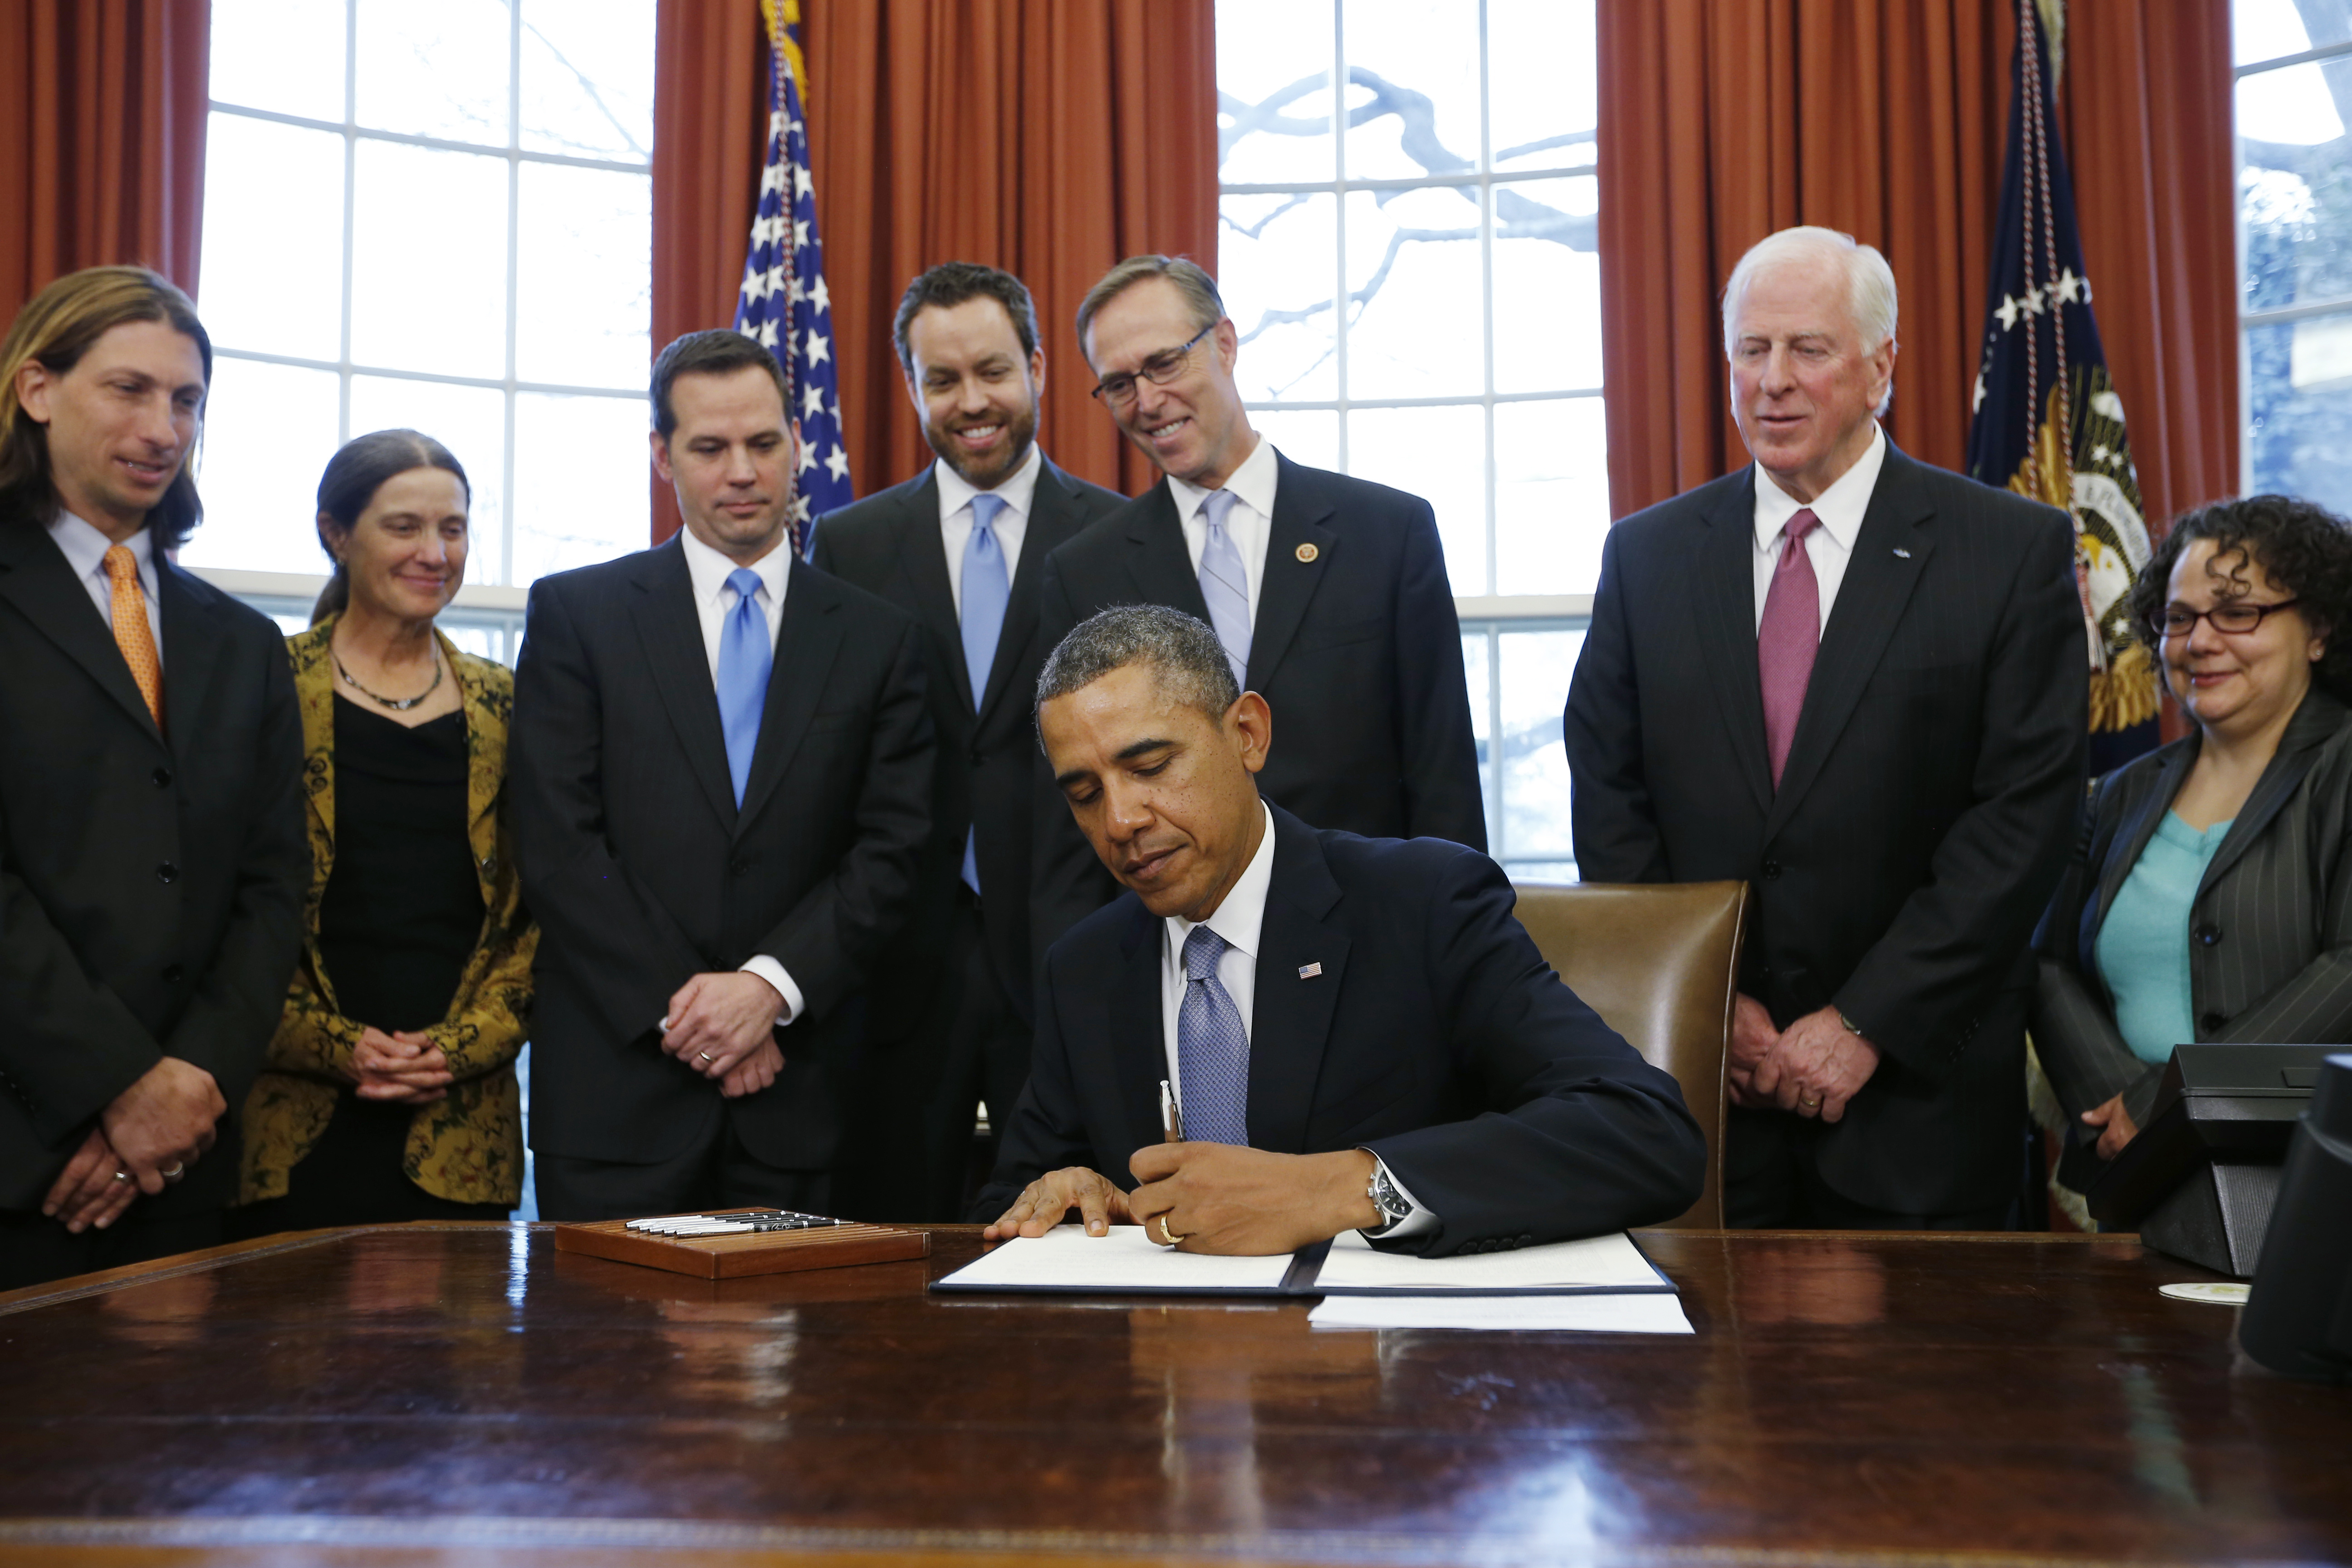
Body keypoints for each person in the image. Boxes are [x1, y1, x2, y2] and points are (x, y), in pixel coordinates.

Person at [1563, 226, 2086, 1230]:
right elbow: (1612, 795)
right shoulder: (1647, 557)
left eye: (1809, 349)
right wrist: (1717, 1009)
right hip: (1709, 1099)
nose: (1774, 382)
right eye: (1751, 352)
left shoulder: (2007, 551)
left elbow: (2024, 819)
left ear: (1880, 366)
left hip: (1918, 1107)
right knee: (1708, 1387)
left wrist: (1864, 1022)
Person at [977, 605, 1703, 1256]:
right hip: (1171, 1380)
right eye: (1085, 793)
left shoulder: (1421, 904)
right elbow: (1002, 1208)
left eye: (1152, 766)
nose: (1120, 820)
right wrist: (1067, 1197)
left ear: (1248, 734)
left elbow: (1645, 1135)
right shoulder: (1085, 968)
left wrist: (1339, 1190)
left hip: (1387, 1372)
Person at [510, 329, 932, 1222]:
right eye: (710, 449)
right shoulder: (578, 616)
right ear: (663, 457)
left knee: (797, 1364)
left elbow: (895, 847)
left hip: (805, 1101)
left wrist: (769, 991)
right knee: (600, 1361)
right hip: (616, 1101)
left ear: (796, 445)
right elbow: (557, 844)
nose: (741, 471)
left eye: (764, 444)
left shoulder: (880, 638)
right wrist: (710, 1021)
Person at [1029, 255, 1485, 966]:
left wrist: (1462, 950)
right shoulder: (1082, 571)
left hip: (1378, 943)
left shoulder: (1385, 533)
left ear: (1225, 343)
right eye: (1119, 384)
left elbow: (1442, 775)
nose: (1146, 400)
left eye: (1163, 364)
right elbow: (1072, 811)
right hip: (1182, 958)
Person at [0, 266, 306, 1288]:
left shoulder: (245, 643)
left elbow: (271, 889)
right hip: (23, 1154)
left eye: (186, 401)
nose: (164, 428)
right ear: (38, 389)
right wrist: (115, 1087)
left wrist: (185, 1087)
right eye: (129, 389)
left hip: (185, 1160)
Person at [809, 263, 1125, 1222]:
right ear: (910, 387)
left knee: (1078, 1245)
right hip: (903, 965)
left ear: (1036, 367)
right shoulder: (850, 545)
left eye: (992, 370)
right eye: (941, 379)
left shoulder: (1117, 538)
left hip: (1076, 950)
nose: (971, 401)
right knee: (890, 1249)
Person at [228, 431, 536, 1237]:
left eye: (454, 529)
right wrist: (334, 1046)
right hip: (284, 1122)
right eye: (404, 527)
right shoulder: (263, 684)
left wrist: (463, 1046)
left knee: (458, 1368)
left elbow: (538, 912)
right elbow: (215, 900)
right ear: (336, 532)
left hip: (461, 1128)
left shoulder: (508, 703)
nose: (435, 552)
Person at [2035, 495, 2352, 1191]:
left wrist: (2176, 1101)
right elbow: (2048, 961)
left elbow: (2347, 969)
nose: (2200, 641)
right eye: (2178, 619)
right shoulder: (2118, 793)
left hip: (2312, 1180)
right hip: (2139, 1175)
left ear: (2320, 628)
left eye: (2238, 612)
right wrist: (2121, 1104)